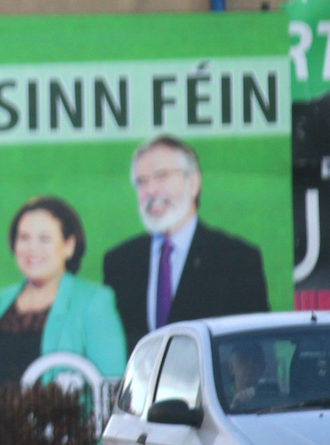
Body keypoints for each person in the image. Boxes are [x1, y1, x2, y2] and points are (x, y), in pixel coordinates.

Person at [101, 134, 268, 350]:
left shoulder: (236, 259)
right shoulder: (120, 262)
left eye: (161, 176)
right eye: (141, 181)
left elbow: (254, 352)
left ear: (193, 182)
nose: (150, 191)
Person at [0, 197, 128, 384]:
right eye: (24, 237)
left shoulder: (94, 302)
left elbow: (112, 386)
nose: (32, 248)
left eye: (44, 238)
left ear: (69, 245)